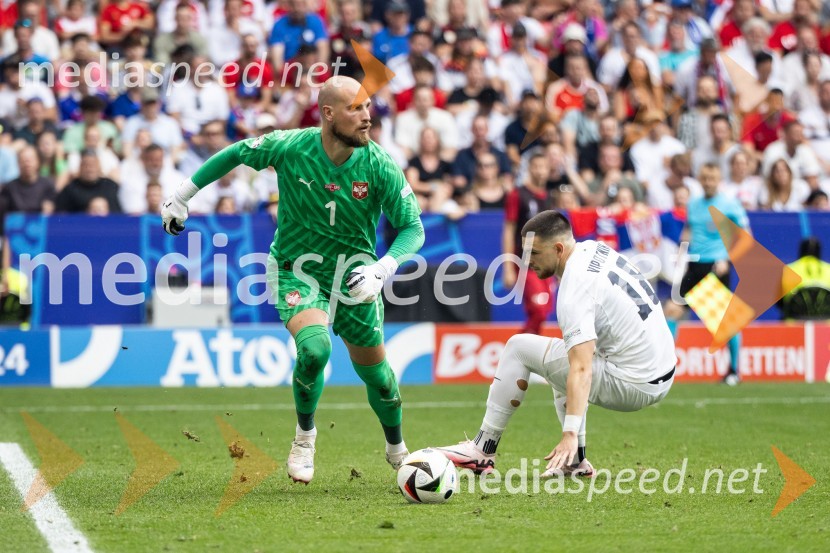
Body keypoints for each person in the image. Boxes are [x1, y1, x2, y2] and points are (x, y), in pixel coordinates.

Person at [161, 76, 425, 484]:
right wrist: (182, 194)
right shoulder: (290, 146)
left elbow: (413, 228)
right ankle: (305, 437)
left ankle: (397, 448)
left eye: (368, 106)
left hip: (356, 278)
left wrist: (381, 269)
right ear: (328, 113)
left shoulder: (379, 164)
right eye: (356, 108)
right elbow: (235, 153)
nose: (367, 116)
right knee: (315, 350)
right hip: (296, 269)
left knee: (379, 378)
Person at [437, 210, 676, 476]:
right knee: (559, 357)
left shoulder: (575, 289)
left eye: (534, 254)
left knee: (519, 348)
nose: (527, 262)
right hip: (662, 367)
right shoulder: (593, 249)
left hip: (635, 381)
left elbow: (582, 369)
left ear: (558, 248)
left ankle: (482, 451)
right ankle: (576, 463)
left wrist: (570, 433)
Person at [664, 163, 751, 385]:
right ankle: (665, 368)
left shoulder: (730, 205)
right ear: (700, 180)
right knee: (672, 310)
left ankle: (734, 370)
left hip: (716, 266)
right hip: (695, 265)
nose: (708, 183)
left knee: (725, 321)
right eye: (705, 179)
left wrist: (727, 260)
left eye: (712, 179)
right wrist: (681, 249)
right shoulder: (693, 205)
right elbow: (690, 230)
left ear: (718, 180)